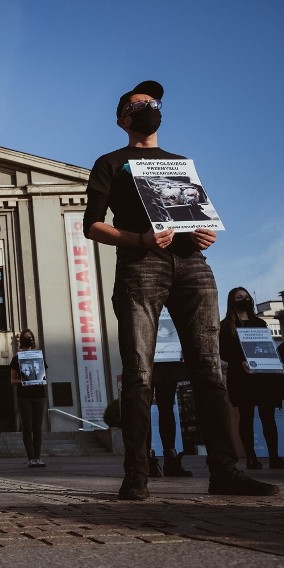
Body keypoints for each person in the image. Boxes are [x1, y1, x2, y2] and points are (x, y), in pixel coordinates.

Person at [83, 80, 278, 500]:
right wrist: (141, 240)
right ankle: (136, 474)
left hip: (194, 267)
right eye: (140, 104)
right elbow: (92, 224)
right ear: (123, 119)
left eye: (154, 103)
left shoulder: (178, 163)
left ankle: (225, 471)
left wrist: (205, 233)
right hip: (141, 266)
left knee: (209, 370)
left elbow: (194, 213)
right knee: (139, 372)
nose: (150, 108)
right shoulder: (110, 162)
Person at [219, 287, 284, 469]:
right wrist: (240, 361)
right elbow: (223, 351)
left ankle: (274, 456)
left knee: (268, 416)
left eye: (246, 297)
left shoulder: (260, 323)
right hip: (241, 376)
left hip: (263, 376)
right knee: (246, 416)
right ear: (232, 301)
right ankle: (251, 458)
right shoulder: (225, 326)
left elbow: (267, 347)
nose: (245, 299)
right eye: (240, 297)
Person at [146, 362, 193, 477]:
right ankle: (151, 460)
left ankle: (161, 459)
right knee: (152, 409)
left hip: (164, 359)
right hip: (156, 358)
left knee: (164, 408)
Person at [10, 329, 47, 468]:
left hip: (39, 395)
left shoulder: (39, 357)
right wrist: (24, 381)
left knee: (37, 427)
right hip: (24, 396)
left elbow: (43, 375)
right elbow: (12, 380)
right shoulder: (16, 358)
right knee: (27, 427)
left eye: (30, 337)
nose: (28, 339)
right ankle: (31, 458)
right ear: (21, 340)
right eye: (25, 337)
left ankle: (38, 457)